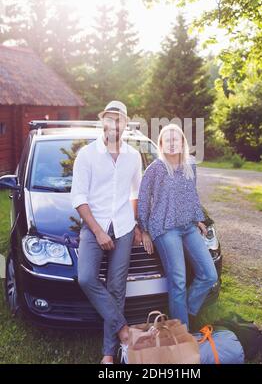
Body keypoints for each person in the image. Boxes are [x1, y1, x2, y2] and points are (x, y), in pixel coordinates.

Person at [71, 100, 154, 364]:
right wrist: (97, 231)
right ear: (102, 122)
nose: (114, 124)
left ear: (125, 124)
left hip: (124, 227)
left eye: (119, 119)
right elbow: (79, 197)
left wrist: (139, 226)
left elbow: (135, 193)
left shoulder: (133, 156)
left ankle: (108, 353)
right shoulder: (87, 154)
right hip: (95, 226)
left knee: (117, 288)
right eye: (109, 118)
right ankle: (123, 329)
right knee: (85, 277)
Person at [137, 123, 218, 332]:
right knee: (178, 280)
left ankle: (184, 312)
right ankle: (182, 331)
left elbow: (191, 194)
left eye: (176, 140)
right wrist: (144, 229)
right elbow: (144, 200)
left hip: (188, 226)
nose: (172, 144)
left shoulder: (190, 164)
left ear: (182, 142)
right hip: (165, 228)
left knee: (209, 274)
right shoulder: (155, 168)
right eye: (167, 140)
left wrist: (198, 219)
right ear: (161, 144)